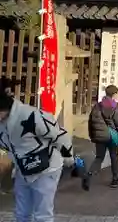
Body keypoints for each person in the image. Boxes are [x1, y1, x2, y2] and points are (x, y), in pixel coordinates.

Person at [0, 78, 74, 222]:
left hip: (47, 169)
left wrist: (69, 159)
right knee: (22, 213)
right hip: (23, 170)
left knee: (42, 214)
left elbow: (59, 135)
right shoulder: (2, 124)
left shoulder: (30, 115)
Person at [82, 85, 118, 190]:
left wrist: (92, 135)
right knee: (114, 156)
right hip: (111, 137)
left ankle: (89, 175)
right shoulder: (116, 107)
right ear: (114, 94)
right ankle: (115, 179)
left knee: (99, 157)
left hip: (99, 136)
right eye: (117, 93)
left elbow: (91, 122)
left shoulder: (97, 106)